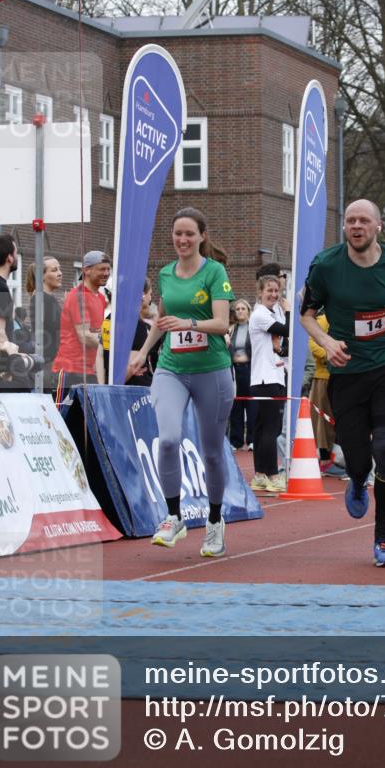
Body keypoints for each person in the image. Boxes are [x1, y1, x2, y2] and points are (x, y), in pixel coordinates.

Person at [301, 198, 385, 568]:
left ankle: (384, 539)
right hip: (347, 372)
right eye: (349, 221)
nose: (356, 226)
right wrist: (327, 343)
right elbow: (306, 315)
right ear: (344, 226)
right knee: (357, 459)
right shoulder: (326, 265)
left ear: (378, 226)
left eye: (363, 221)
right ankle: (357, 480)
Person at [130, 207, 235, 557]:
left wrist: (190, 324)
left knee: (212, 452)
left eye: (189, 233)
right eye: (177, 233)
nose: (183, 239)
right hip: (172, 368)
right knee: (169, 438)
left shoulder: (214, 272)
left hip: (212, 371)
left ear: (202, 237)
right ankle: (173, 516)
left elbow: (221, 324)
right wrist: (143, 352)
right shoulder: (164, 274)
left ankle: (215, 522)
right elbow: (161, 320)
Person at [249, 275, 289, 495]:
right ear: (260, 292)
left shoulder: (273, 313)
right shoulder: (260, 314)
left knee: (263, 428)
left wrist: (281, 352)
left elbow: (278, 346)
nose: (274, 295)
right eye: (269, 291)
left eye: (277, 291)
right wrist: (291, 310)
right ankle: (272, 474)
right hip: (266, 379)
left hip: (273, 375)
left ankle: (260, 475)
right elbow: (287, 330)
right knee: (269, 429)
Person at [52, 250, 109, 388]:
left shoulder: (101, 298)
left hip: (90, 370)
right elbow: (85, 336)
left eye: (108, 269)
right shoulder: (78, 296)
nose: (106, 273)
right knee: (64, 411)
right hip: (70, 370)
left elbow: (98, 333)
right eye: (102, 269)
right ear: (87, 270)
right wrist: (112, 348)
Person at [308, 312, 346, 477]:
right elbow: (312, 343)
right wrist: (330, 355)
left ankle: (337, 458)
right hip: (324, 377)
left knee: (342, 419)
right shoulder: (323, 320)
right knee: (323, 420)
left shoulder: (346, 317)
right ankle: (324, 461)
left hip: (345, 377)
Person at [26, 255, 63, 382]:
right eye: (54, 270)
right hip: (49, 364)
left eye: (59, 269)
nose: (59, 273)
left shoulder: (46, 298)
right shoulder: (41, 298)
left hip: (52, 362)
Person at [227, 299, 257, 451]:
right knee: (236, 405)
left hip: (250, 369)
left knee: (251, 404)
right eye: (237, 309)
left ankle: (251, 439)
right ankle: (236, 441)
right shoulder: (231, 329)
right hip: (234, 370)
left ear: (248, 310)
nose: (239, 311)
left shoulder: (254, 328)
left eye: (242, 308)